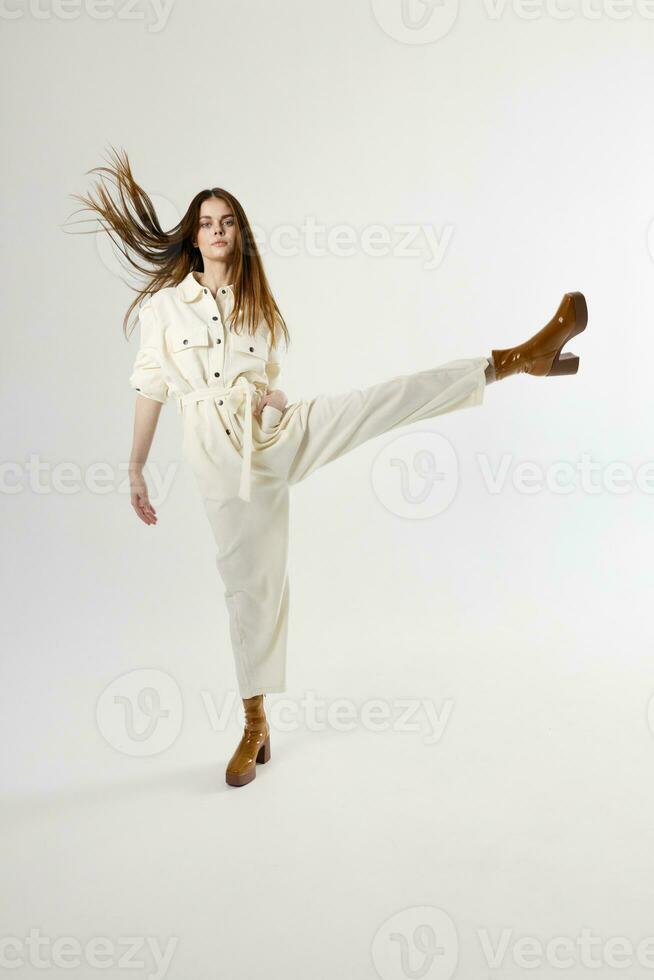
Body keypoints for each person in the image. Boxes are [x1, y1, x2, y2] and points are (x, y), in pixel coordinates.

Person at [67, 147, 588, 788]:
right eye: (207, 221)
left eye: (228, 220)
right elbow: (150, 388)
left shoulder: (258, 305)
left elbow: (270, 383)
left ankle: (514, 359)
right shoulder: (164, 311)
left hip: (272, 434)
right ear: (193, 236)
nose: (218, 230)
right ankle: (255, 722)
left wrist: (274, 402)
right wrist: (135, 467)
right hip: (216, 458)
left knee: (380, 402)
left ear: (240, 233)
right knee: (250, 588)